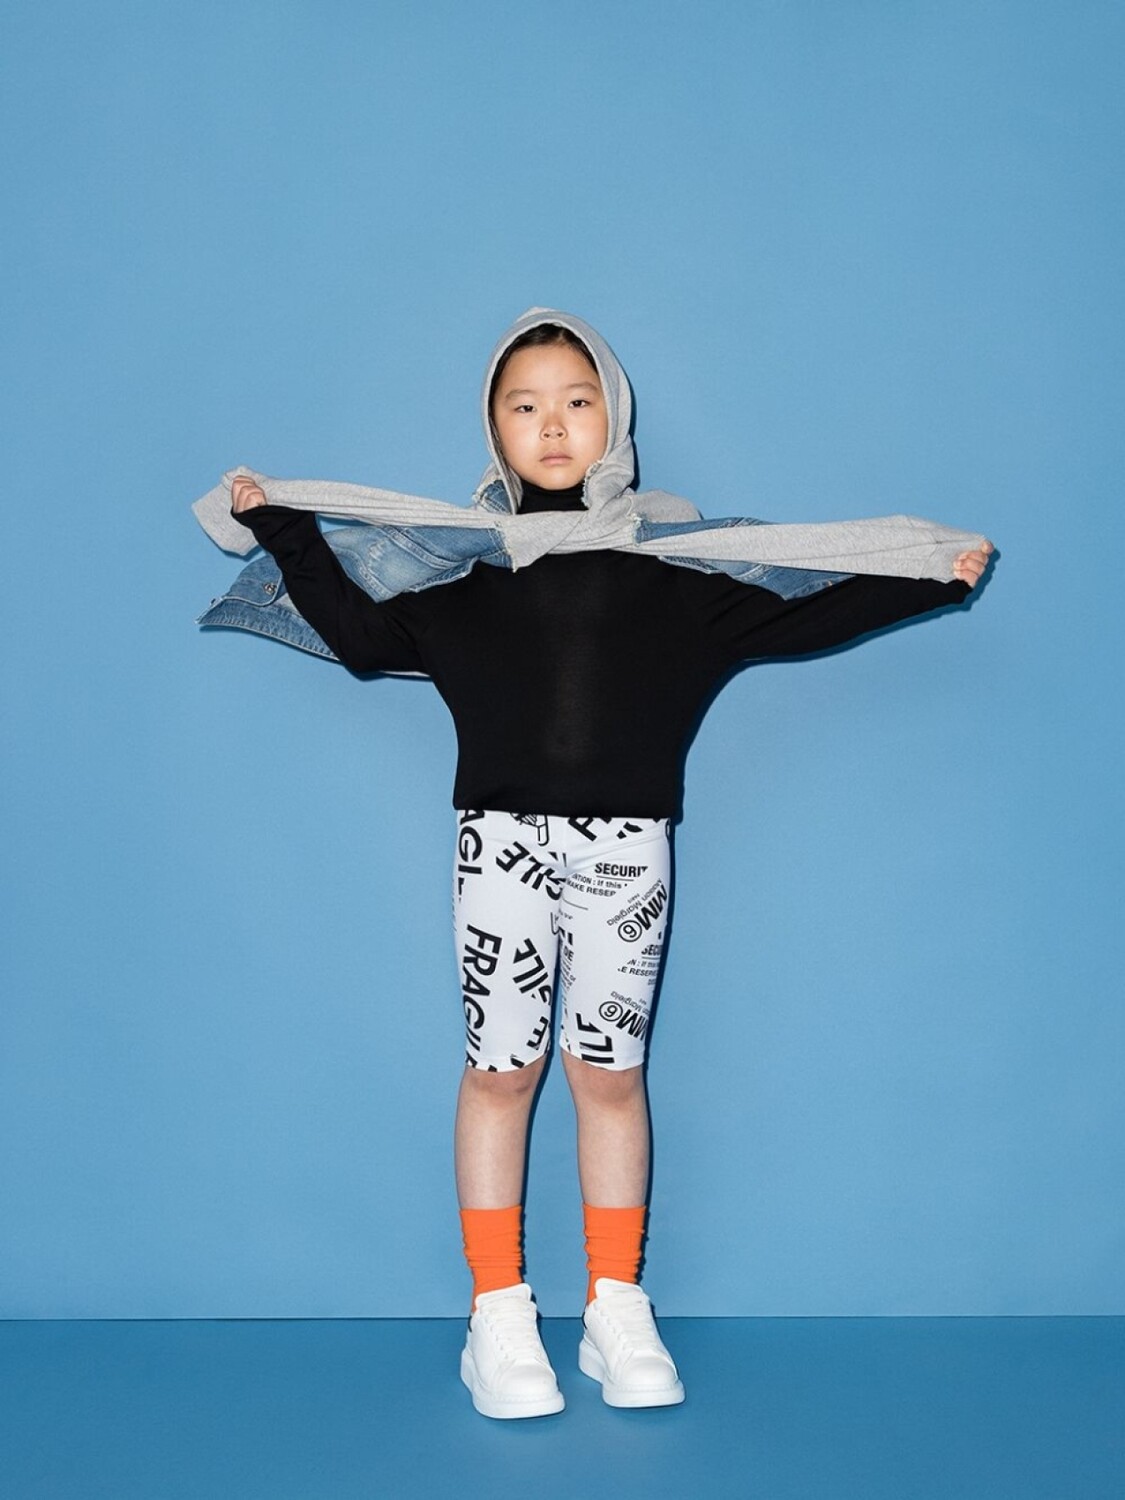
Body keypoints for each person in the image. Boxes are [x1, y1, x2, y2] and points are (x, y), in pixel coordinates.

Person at [217, 311, 993, 1421]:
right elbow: (359, 635)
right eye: (524, 404)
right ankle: (497, 1311)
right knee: (500, 1072)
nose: (552, 423)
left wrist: (933, 579)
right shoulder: (460, 583)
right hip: (498, 850)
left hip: (629, 856)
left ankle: (615, 1305)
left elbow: (814, 611)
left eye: (576, 400)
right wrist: (285, 529)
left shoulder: (678, 580)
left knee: (608, 1075)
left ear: (613, 421)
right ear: (494, 430)